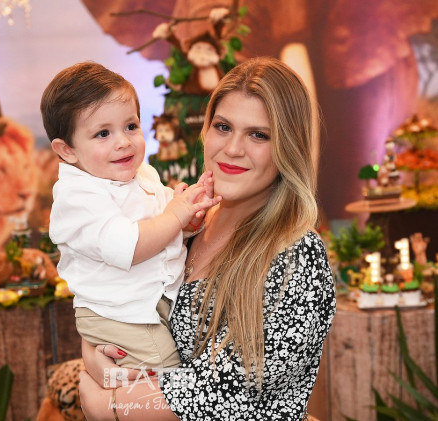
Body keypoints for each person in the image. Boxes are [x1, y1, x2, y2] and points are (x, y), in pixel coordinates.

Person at [78, 56, 337, 420]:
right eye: (223, 127)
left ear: (287, 147)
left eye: (259, 135)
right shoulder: (180, 225)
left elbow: (231, 388)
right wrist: (95, 358)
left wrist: (114, 406)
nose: (233, 149)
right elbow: (113, 305)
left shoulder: (297, 253)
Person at [41, 62, 220, 370]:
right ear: (67, 150)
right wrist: (175, 215)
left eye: (131, 127)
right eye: (103, 133)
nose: (123, 142)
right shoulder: (78, 197)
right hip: (119, 315)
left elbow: (164, 226)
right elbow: (131, 246)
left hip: (147, 305)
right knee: (163, 372)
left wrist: (188, 219)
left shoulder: (143, 174)